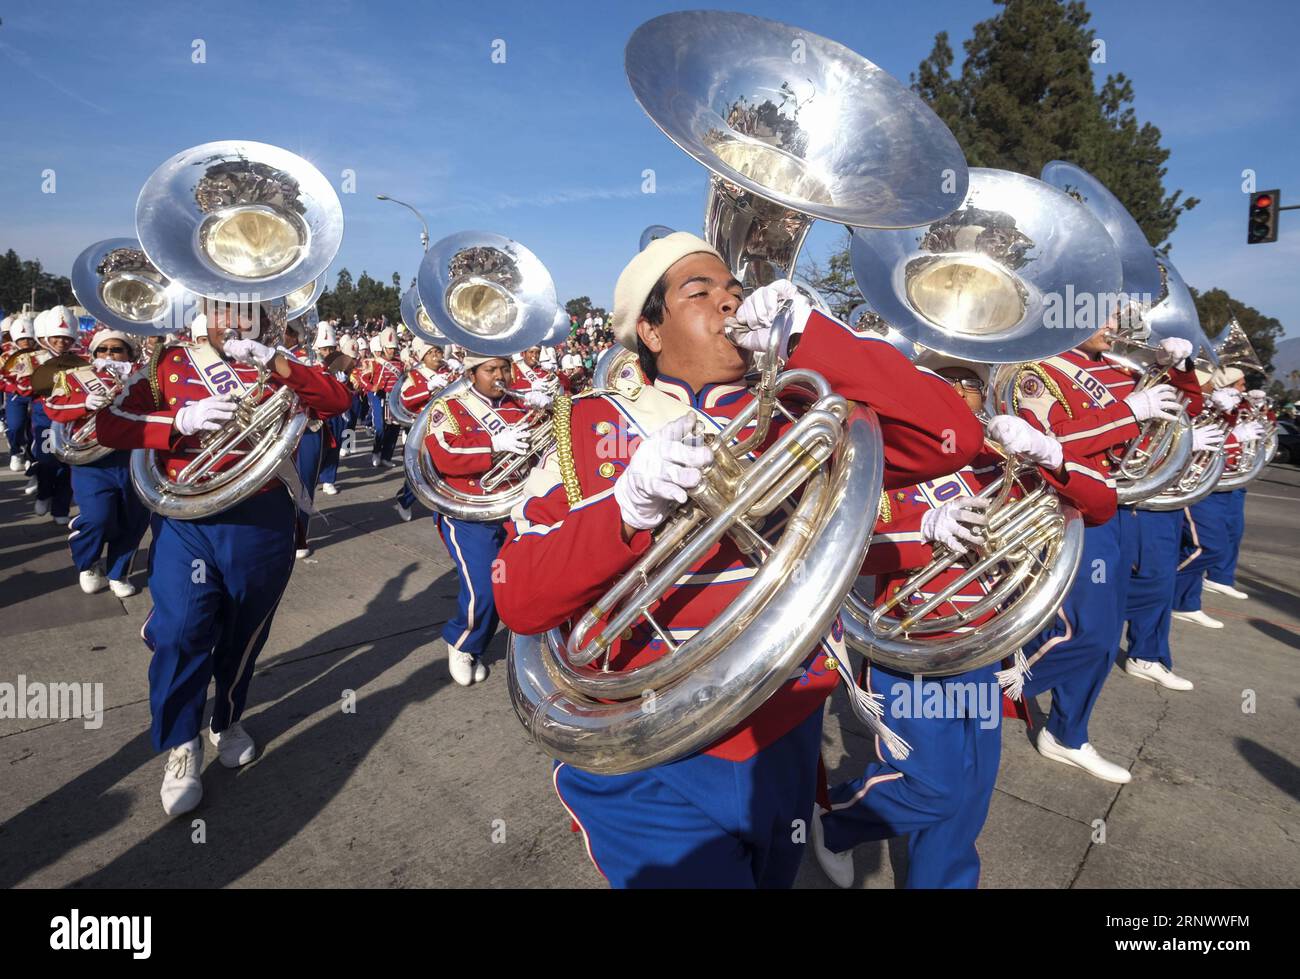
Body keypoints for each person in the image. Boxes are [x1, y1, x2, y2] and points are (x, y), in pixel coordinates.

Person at [493, 232, 982, 888]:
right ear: (651, 330)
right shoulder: (585, 426)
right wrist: (625, 509)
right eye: (699, 293)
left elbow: (951, 436)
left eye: (735, 290)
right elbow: (519, 596)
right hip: (648, 757)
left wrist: (812, 334)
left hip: (784, 729)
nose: (729, 301)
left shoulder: (798, 414)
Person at [812, 352, 1117, 888]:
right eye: (944, 379)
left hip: (987, 647)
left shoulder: (1002, 463)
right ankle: (835, 820)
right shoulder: (885, 460)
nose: (960, 390)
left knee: (971, 795)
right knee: (934, 787)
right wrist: (924, 525)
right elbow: (848, 550)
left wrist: (1051, 453)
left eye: (969, 380)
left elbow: (1100, 504)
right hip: (914, 650)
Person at [96, 300, 351, 816]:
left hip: (260, 519)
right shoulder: (170, 363)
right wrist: (177, 419)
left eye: (247, 313)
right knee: (181, 630)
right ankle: (181, 742)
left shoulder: (281, 365)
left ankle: (227, 718)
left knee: (244, 632)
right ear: (205, 313)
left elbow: (336, 400)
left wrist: (275, 361)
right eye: (223, 312)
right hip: (187, 515)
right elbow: (109, 424)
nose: (235, 323)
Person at [1010, 319, 1199, 782]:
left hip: (1118, 508)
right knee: (1088, 633)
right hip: (1066, 509)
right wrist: (1130, 412)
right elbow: (1053, 444)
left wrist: (1177, 370)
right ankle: (983, 689)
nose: (1115, 325)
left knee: (1106, 628)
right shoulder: (1036, 372)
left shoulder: (1119, 370)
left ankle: (1068, 732)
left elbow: (1185, 411)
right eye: (1103, 313)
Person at [423, 352, 548, 685]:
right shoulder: (449, 406)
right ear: (472, 372)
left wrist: (551, 404)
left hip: (515, 506)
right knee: (485, 586)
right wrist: (491, 443)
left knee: (516, 581)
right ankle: (462, 641)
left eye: (505, 368)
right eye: (491, 369)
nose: (500, 375)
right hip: (469, 511)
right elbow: (444, 453)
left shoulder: (519, 404)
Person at [42, 329, 149, 597]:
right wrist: (84, 403)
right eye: (103, 350)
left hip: (133, 458)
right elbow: (53, 406)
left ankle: (118, 572)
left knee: (133, 520)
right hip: (91, 463)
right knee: (97, 518)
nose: (110, 354)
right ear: (93, 353)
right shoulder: (75, 377)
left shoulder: (144, 379)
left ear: (128, 353)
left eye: (117, 349)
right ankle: (88, 563)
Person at [1173, 367, 1259, 627]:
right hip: (1189, 487)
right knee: (1209, 546)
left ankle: (1186, 602)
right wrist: (1233, 437)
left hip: (1209, 482)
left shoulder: (1214, 408)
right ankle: (1164, 589)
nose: (1212, 389)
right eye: (1208, 385)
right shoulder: (1189, 406)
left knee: (1217, 542)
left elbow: (1220, 442)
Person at [28, 307, 79, 524]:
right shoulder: (34, 359)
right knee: (47, 460)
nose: (61, 342)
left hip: (72, 418)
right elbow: (24, 388)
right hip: (44, 414)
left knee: (69, 463)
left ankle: (61, 507)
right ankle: (43, 493)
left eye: (66, 338)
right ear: (48, 337)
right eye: (57, 337)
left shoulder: (80, 360)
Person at [393, 338, 453, 521]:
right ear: (423, 357)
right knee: (421, 473)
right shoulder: (414, 375)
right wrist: (428, 386)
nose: (436, 356)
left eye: (438, 352)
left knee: (444, 474)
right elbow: (405, 398)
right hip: (421, 430)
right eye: (431, 353)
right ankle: (404, 500)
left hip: (446, 428)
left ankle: (441, 514)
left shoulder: (449, 372)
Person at [361, 328, 402, 467]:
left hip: (394, 399)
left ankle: (387, 457)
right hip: (380, 397)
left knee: (394, 429)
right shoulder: (375, 362)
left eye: (394, 348)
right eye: (389, 348)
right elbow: (362, 378)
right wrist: (372, 387)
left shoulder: (400, 363)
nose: (392, 351)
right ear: (384, 348)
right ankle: (376, 452)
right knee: (379, 427)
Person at [3, 313, 38, 475]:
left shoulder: (42, 353)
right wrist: (13, 387)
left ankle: (31, 458)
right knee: (16, 425)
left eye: (28, 338)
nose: (25, 342)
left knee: (35, 429)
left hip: (37, 396)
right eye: (22, 339)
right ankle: (16, 451)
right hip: (15, 396)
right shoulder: (6, 355)